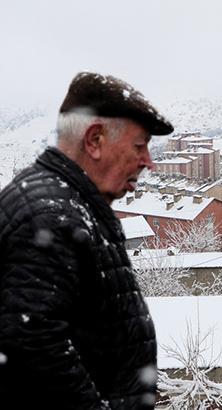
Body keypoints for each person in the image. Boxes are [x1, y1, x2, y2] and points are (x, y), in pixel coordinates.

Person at [0, 72, 173, 409]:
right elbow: (33, 346)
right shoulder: (49, 215)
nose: (148, 162)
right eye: (140, 146)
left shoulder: (66, 204)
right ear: (94, 140)